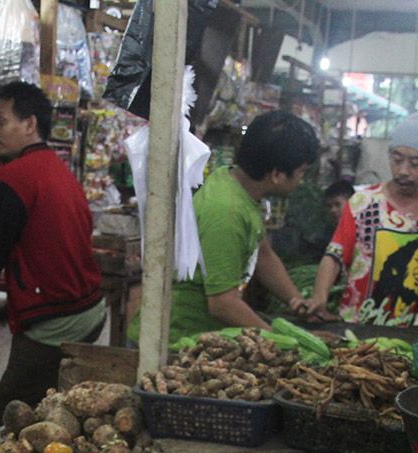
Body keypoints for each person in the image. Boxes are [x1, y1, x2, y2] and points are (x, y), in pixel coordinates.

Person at [0, 82, 105, 426]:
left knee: (8, 415)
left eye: (1, 121)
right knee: (52, 412)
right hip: (90, 309)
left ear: (30, 124)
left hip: (59, 317)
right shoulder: (59, 170)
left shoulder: (16, 176)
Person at [128, 110, 325, 347]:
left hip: (194, 335)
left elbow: (262, 255)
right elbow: (222, 304)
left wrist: (296, 301)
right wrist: (282, 343)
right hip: (173, 341)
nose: (301, 181)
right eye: (301, 172)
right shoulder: (227, 213)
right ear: (276, 174)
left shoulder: (234, 181)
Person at [307, 114, 418, 325]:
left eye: (415, 163)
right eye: (397, 160)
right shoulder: (364, 203)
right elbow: (335, 255)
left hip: (415, 329)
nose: (403, 171)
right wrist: (319, 297)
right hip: (357, 327)